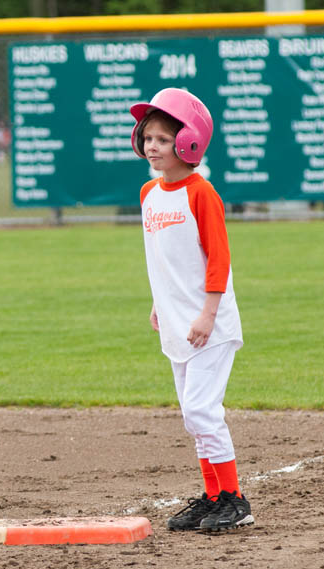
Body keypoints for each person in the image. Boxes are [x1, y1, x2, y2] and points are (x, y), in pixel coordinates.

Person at [129, 88, 253, 533]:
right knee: (191, 416)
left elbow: (219, 257)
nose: (152, 147)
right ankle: (214, 496)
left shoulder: (201, 193)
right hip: (178, 321)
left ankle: (235, 500)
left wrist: (208, 314)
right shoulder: (149, 193)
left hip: (209, 324)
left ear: (189, 142)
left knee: (202, 411)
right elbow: (165, 258)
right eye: (148, 138)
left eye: (163, 139)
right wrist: (159, 303)